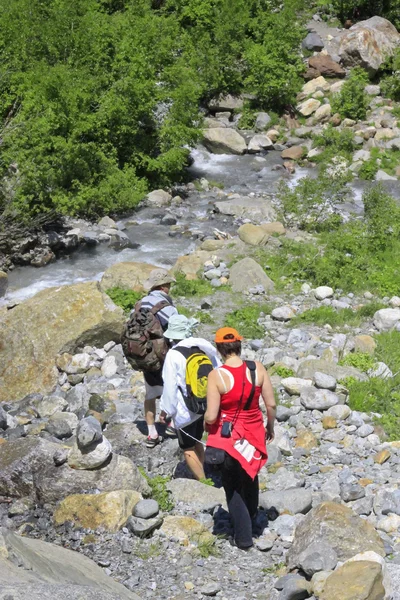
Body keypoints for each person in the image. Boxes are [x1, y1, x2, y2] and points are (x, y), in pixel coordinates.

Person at [205, 327, 276, 550]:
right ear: (239, 345)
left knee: (232, 485)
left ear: (219, 349)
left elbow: (211, 415)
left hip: (228, 438)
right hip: (254, 433)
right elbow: (271, 404)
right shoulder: (257, 368)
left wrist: (207, 425)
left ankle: (244, 538)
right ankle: (253, 517)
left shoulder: (217, 376)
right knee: (250, 472)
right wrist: (269, 426)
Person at [159, 314, 221, 480]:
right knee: (197, 439)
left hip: (185, 410)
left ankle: (203, 482)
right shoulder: (204, 348)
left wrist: (166, 411)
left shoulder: (173, 355)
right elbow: (219, 371)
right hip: (206, 405)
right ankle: (203, 472)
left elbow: (170, 386)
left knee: (187, 447)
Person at [140, 268, 178, 448]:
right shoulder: (165, 306)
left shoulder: (139, 304)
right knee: (173, 387)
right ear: (163, 287)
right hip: (163, 355)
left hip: (144, 355)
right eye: (168, 285)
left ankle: (151, 433)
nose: (169, 288)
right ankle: (170, 423)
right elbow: (178, 330)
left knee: (150, 393)